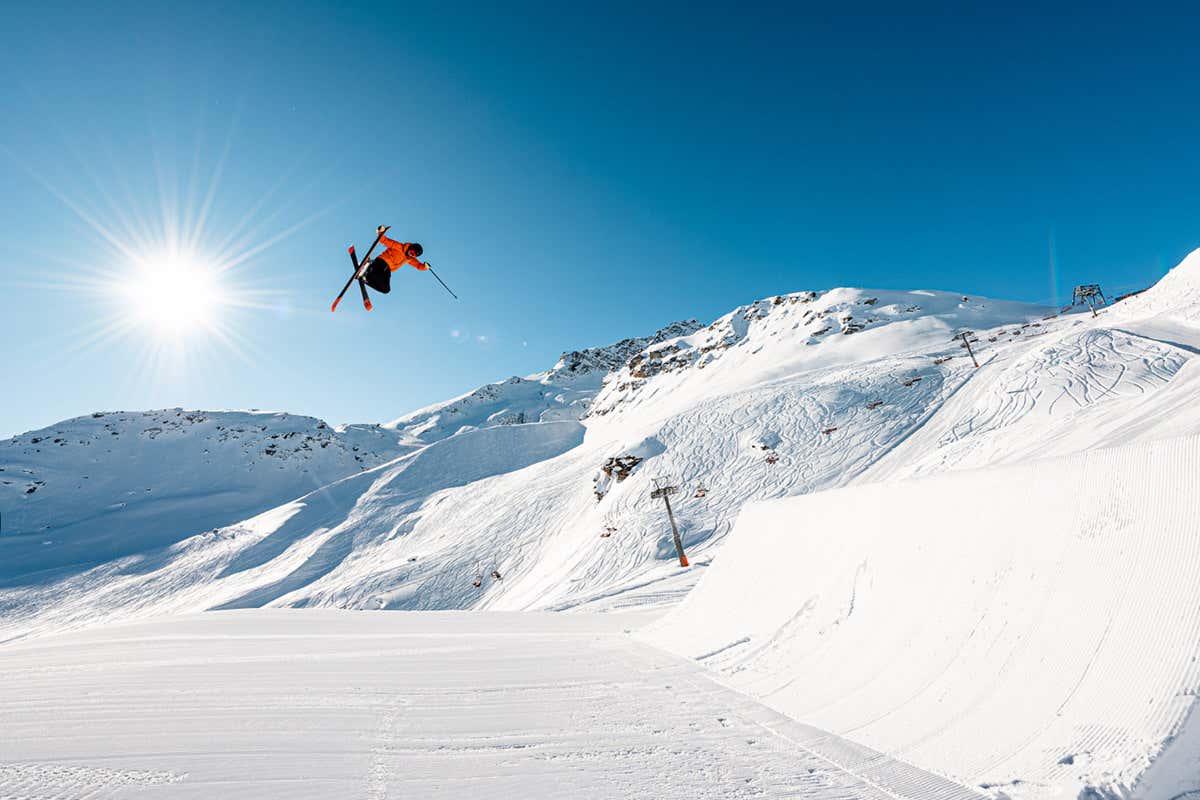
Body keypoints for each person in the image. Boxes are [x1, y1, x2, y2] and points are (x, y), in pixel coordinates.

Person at [362, 234, 428, 294]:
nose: (411, 254)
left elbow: (418, 265)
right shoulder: (399, 246)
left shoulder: (409, 259)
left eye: (413, 255)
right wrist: (381, 232)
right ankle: (369, 268)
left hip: (387, 270)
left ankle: (366, 279)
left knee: (386, 289)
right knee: (378, 274)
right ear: (410, 247)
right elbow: (385, 241)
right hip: (381, 262)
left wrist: (425, 267)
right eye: (412, 252)